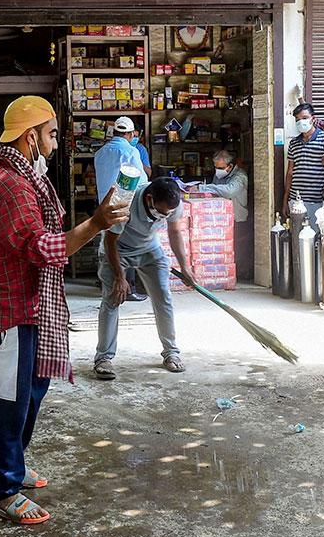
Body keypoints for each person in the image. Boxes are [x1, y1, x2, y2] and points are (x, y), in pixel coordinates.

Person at [0, 96, 129, 524]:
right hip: (7, 312)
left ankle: (14, 465)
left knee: (32, 392)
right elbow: (42, 248)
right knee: (8, 401)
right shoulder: (8, 185)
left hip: (30, 305)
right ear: (30, 136)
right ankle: (4, 489)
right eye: (53, 134)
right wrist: (95, 224)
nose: (57, 143)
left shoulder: (24, 176)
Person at [94, 178, 191, 380]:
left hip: (149, 248)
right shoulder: (125, 200)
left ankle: (171, 352)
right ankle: (103, 358)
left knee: (163, 298)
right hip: (118, 249)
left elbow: (174, 232)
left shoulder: (173, 203)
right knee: (112, 299)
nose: (165, 216)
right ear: (149, 199)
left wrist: (185, 267)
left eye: (169, 213)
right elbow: (111, 240)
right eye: (162, 212)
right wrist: (120, 277)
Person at [95, 117, 148, 301]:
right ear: (130, 134)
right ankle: (129, 287)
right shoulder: (131, 152)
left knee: (107, 245)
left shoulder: (100, 153)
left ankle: (107, 283)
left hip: (104, 206)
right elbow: (141, 183)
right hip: (125, 205)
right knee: (126, 247)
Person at [201, 150, 252, 281]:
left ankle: (241, 275)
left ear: (230, 166)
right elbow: (215, 192)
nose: (217, 171)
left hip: (238, 218)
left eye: (220, 168)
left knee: (238, 249)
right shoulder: (219, 175)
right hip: (222, 219)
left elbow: (229, 191)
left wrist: (205, 188)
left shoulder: (240, 176)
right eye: (216, 167)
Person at [283, 103, 324, 229]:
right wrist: (285, 200)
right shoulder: (293, 143)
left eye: (304, 118)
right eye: (298, 120)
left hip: (317, 201)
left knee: (316, 239)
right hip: (296, 200)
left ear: (313, 119)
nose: (301, 122)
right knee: (297, 238)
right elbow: (290, 172)